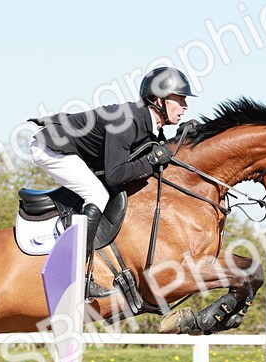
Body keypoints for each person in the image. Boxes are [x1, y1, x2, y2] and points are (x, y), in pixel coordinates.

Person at [29, 66, 195, 240]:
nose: (185, 106)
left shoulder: (149, 125)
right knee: (97, 194)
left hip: (74, 150)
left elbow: (161, 153)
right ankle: (75, 259)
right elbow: (115, 175)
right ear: (160, 100)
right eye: (181, 99)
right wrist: (152, 159)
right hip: (51, 147)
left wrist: (184, 139)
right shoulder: (126, 122)